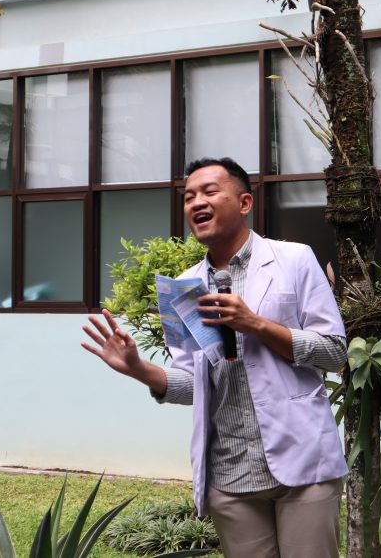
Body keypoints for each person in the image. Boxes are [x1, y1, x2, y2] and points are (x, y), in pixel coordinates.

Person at [80, 157, 348, 558]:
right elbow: (194, 384)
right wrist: (139, 370)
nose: (196, 203)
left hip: (303, 461)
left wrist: (255, 325)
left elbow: (334, 353)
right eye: (189, 197)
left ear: (244, 203)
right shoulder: (182, 288)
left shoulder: (294, 259)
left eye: (209, 192)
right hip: (229, 472)